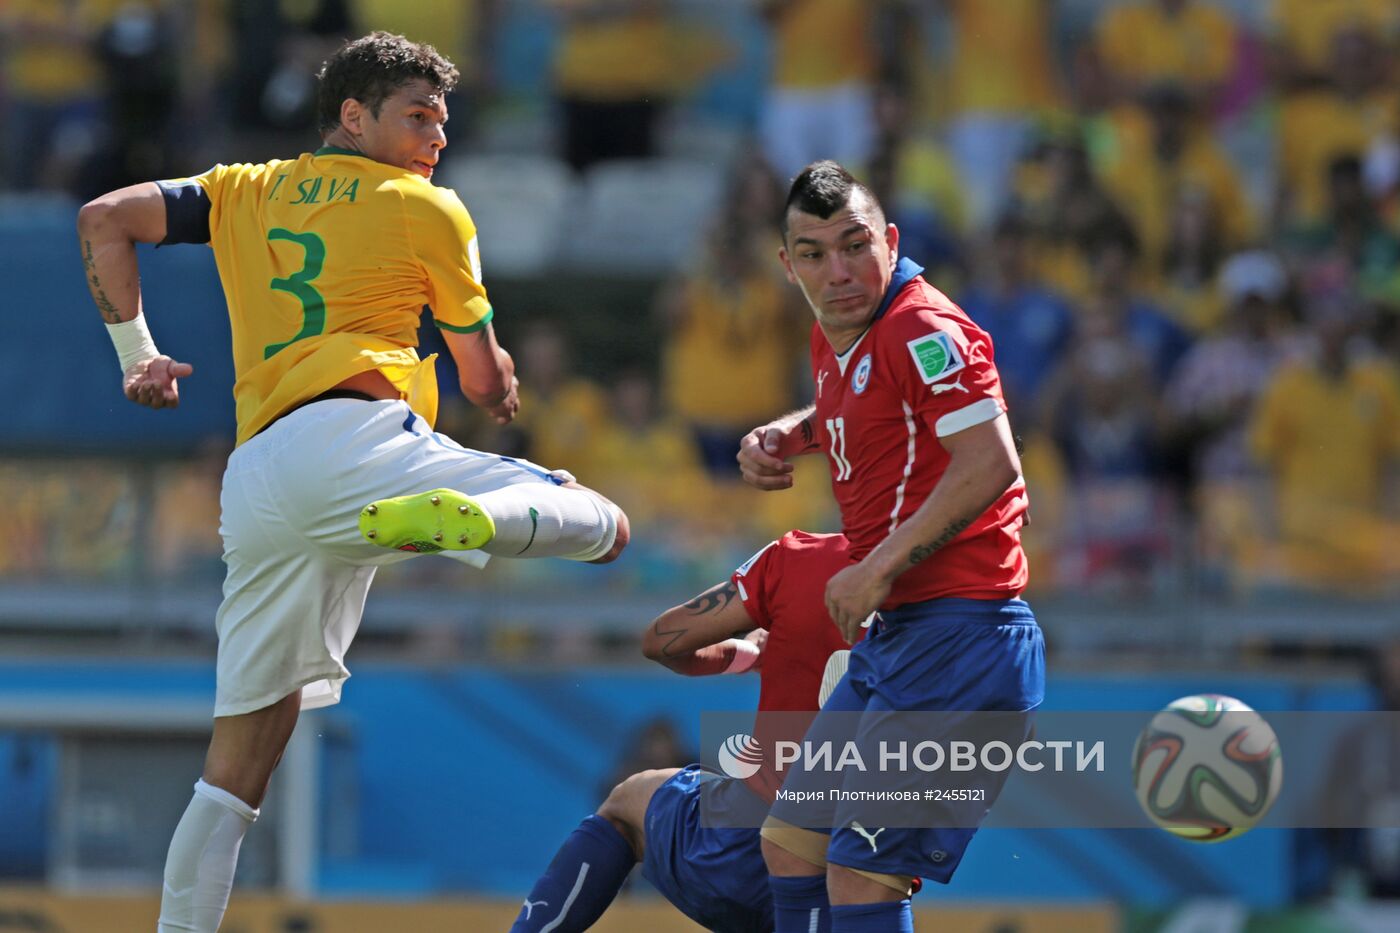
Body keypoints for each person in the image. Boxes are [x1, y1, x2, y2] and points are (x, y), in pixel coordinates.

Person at [75, 32, 628, 932]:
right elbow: (483, 382)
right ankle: (475, 518)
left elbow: (104, 216)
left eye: (442, 122)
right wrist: (503, 384)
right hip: (361, 440)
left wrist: (137, 358)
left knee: (235, 770)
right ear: (353, 116)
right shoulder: (426, 207)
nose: (435, 137)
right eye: (417, 116)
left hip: (257, 478)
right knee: (602, 520)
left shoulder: (240, 188)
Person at [737, 161, 1044, 932]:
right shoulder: (840, 333)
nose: (838, 271)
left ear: (891, 239)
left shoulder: (923, 328)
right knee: (792, 843)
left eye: (855, 245)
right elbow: (866, 406)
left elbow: (990, 460)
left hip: (962, 635)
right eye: (814, 253)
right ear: (788, 263)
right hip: (904, 637)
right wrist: (793, 431)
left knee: (861, 879)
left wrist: (874, 566)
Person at [511, 529, 855, 933]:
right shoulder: (944, 578)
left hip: (748, 849)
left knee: (629, 801)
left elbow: (663, 642)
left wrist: (750, 654)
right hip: (862, 866)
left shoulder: (799, 555)